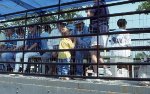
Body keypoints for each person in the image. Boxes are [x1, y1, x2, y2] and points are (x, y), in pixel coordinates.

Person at [86, 0, 112, 76]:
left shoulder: (96, 4)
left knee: (93, 53)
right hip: (104, 30)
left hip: (97, 30)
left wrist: (88, 10)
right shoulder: (105, 5)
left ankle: (96, 73)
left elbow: (89, 15)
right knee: (97, 54)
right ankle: (106, 69)